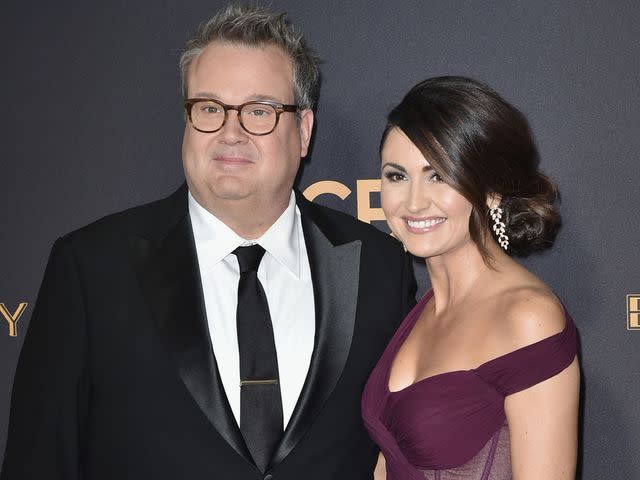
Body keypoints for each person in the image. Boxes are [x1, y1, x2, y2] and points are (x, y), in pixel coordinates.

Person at [1, 5, 416, 480]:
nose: (230, 132)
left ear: (303, 131)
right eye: (210, 109)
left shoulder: (380, 268)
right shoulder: (91, 269)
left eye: (259, 110)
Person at [361, 76, 580, 480]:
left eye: (438, 175)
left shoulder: (527, 317)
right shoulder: (422, 311)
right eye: (396, 176)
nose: (412, 201)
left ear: (492, 189)